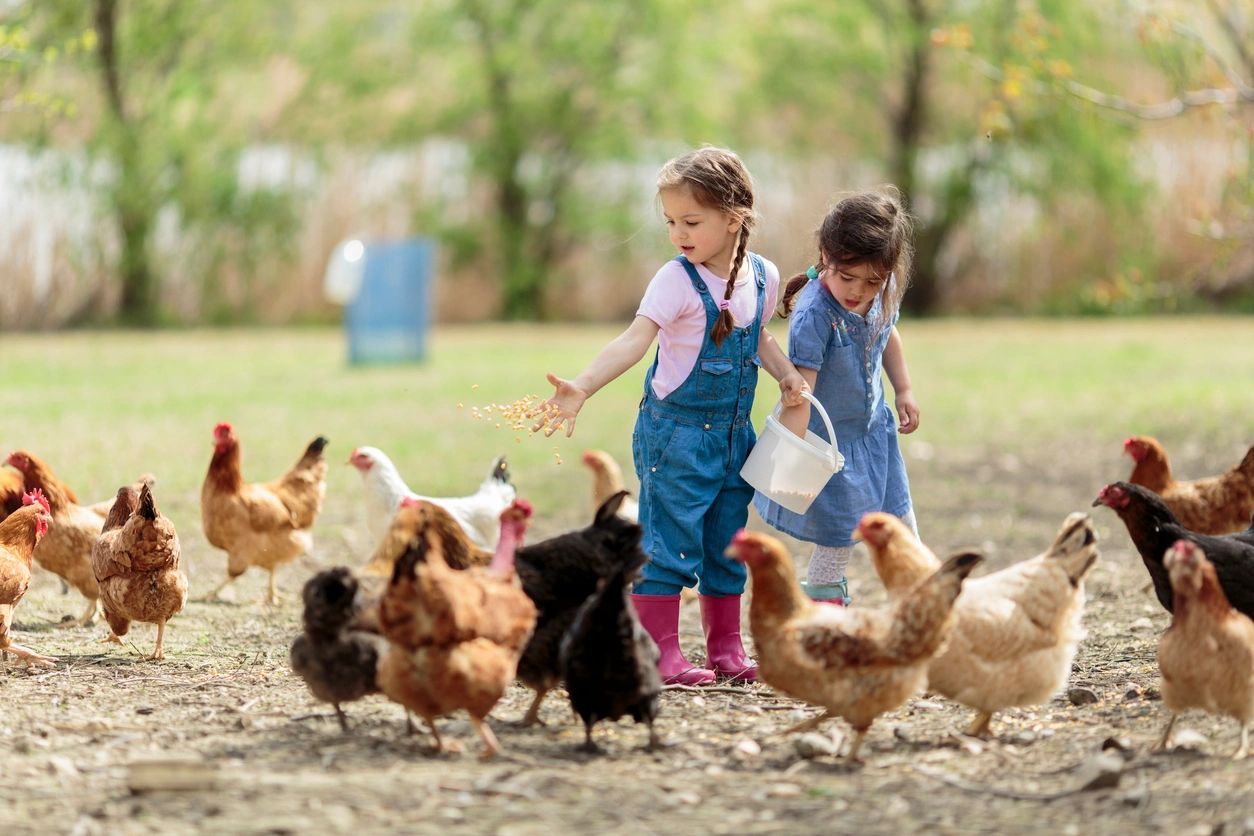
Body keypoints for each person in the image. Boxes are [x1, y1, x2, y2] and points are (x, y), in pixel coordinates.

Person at [531, 146, 808, 685]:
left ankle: (726, 649)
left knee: (728, 542)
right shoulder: (675, 280)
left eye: (691, 221)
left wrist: (787, 374)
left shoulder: (763, 275)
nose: (678, 233)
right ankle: (660, 652)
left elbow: (759, 338)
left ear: (734, 219)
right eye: (670, 222)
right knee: (669, 542)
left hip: (734, 436)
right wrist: (583, 385)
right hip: (675, 436)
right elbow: (634, 341)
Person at [756, 187, 921, 607]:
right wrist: (788, 455)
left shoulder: (882, 290)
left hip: (873, 433)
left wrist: (903, 388)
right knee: (838, 537)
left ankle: (921, 596)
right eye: (847, 277)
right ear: (825, 256)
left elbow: (887, 334)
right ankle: (823, 610)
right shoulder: (815, 314)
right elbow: (801, 392)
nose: (858, 290)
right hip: (833, 448)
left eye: (872, 280)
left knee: (900, 520)